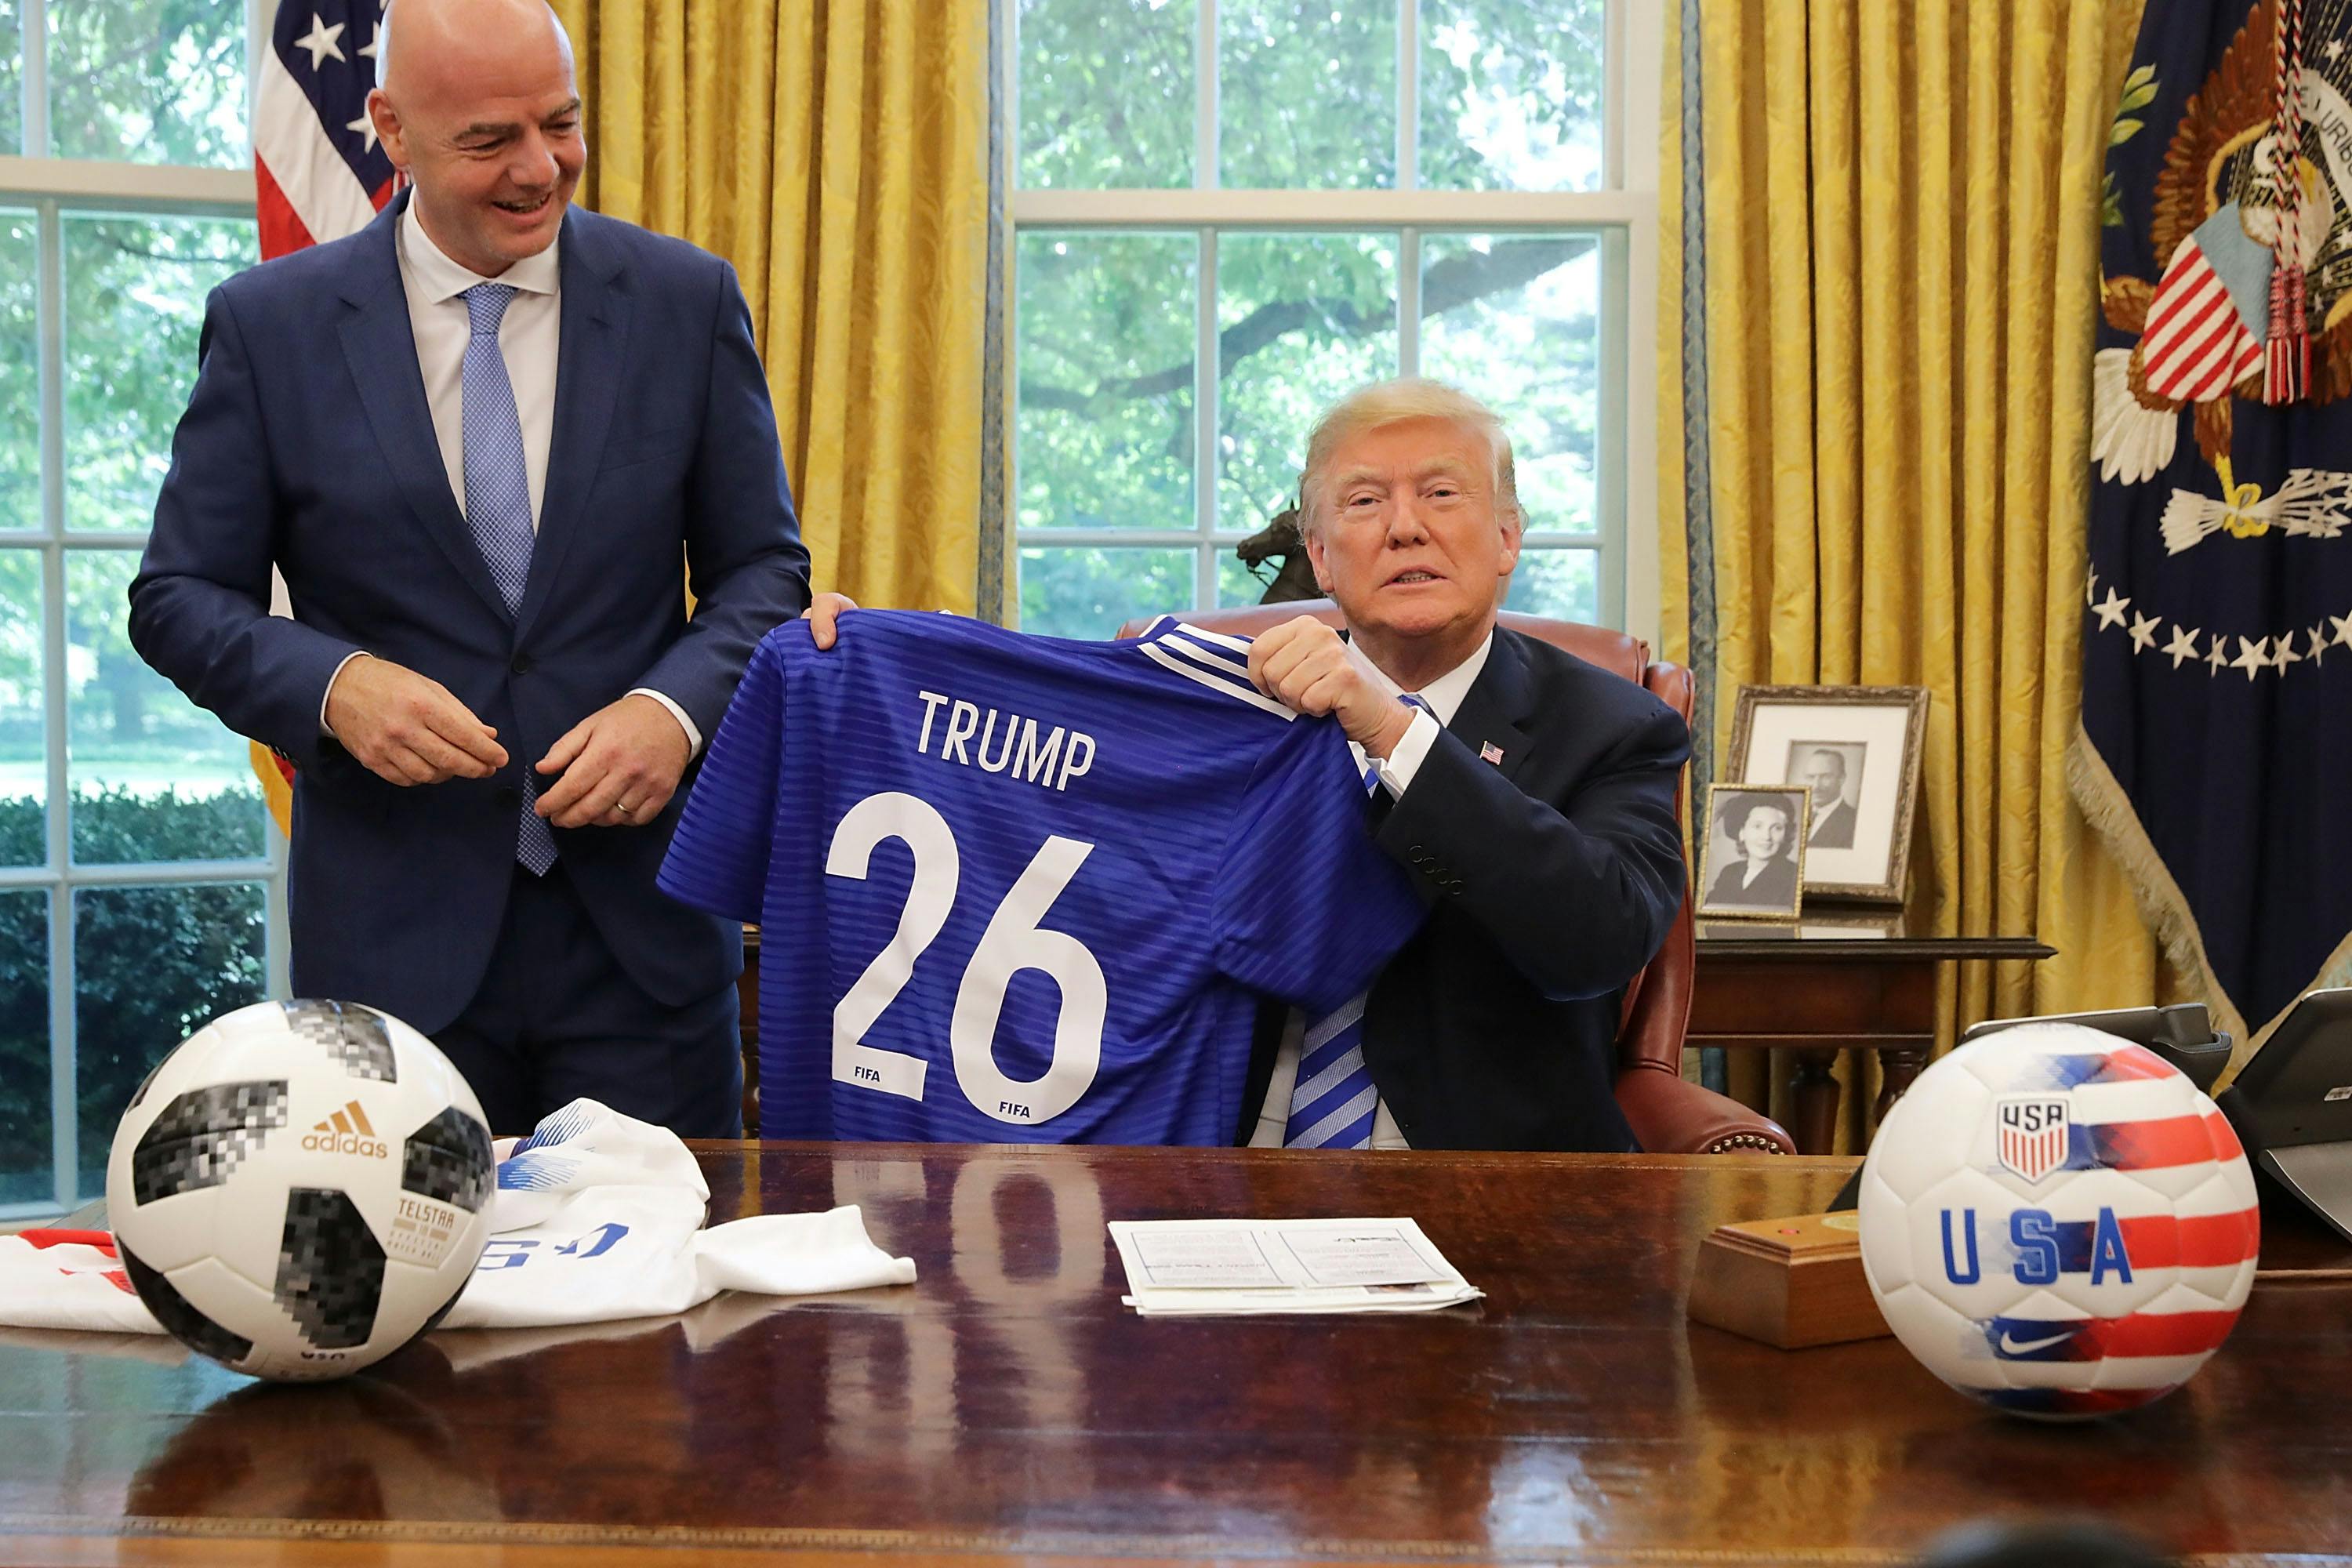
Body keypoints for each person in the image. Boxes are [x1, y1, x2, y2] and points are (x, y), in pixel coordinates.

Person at [129, 0, 818, 1137]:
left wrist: (673, 712)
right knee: (404, 1310)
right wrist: (337, 687)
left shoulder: (687, 303)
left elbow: (764, 575)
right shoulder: (272, 326)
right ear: (390, 129)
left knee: (670, 1308)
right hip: (392, 966)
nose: (541, 169)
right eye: (491, 140)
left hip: (645, 949)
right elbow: (176, 598)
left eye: (562, 123)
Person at [1236, 378, 1690, 1151]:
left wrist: (1392, 730)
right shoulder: (1238, 712)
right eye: (1364, 502)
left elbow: (1598, 939)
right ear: (1319, 558)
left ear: (1508, 537)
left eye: (1442, 493)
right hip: (1230, 1161)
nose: (1405, 527)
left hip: (1487, 1186)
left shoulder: (1615, 725)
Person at [1704, 796, 1799, 911]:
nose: (1766, 837)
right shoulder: (1730, 872)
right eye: (1757, 826)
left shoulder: (1793, 875)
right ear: (1742, 832)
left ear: (1786, 835)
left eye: (1777, 828)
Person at [1801, 747, 1857, 847]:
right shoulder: (1796, 815)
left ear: (1842, 779)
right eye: (1811, 777)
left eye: (1826, 777)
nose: (1816, 786)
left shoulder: (1854, 822)